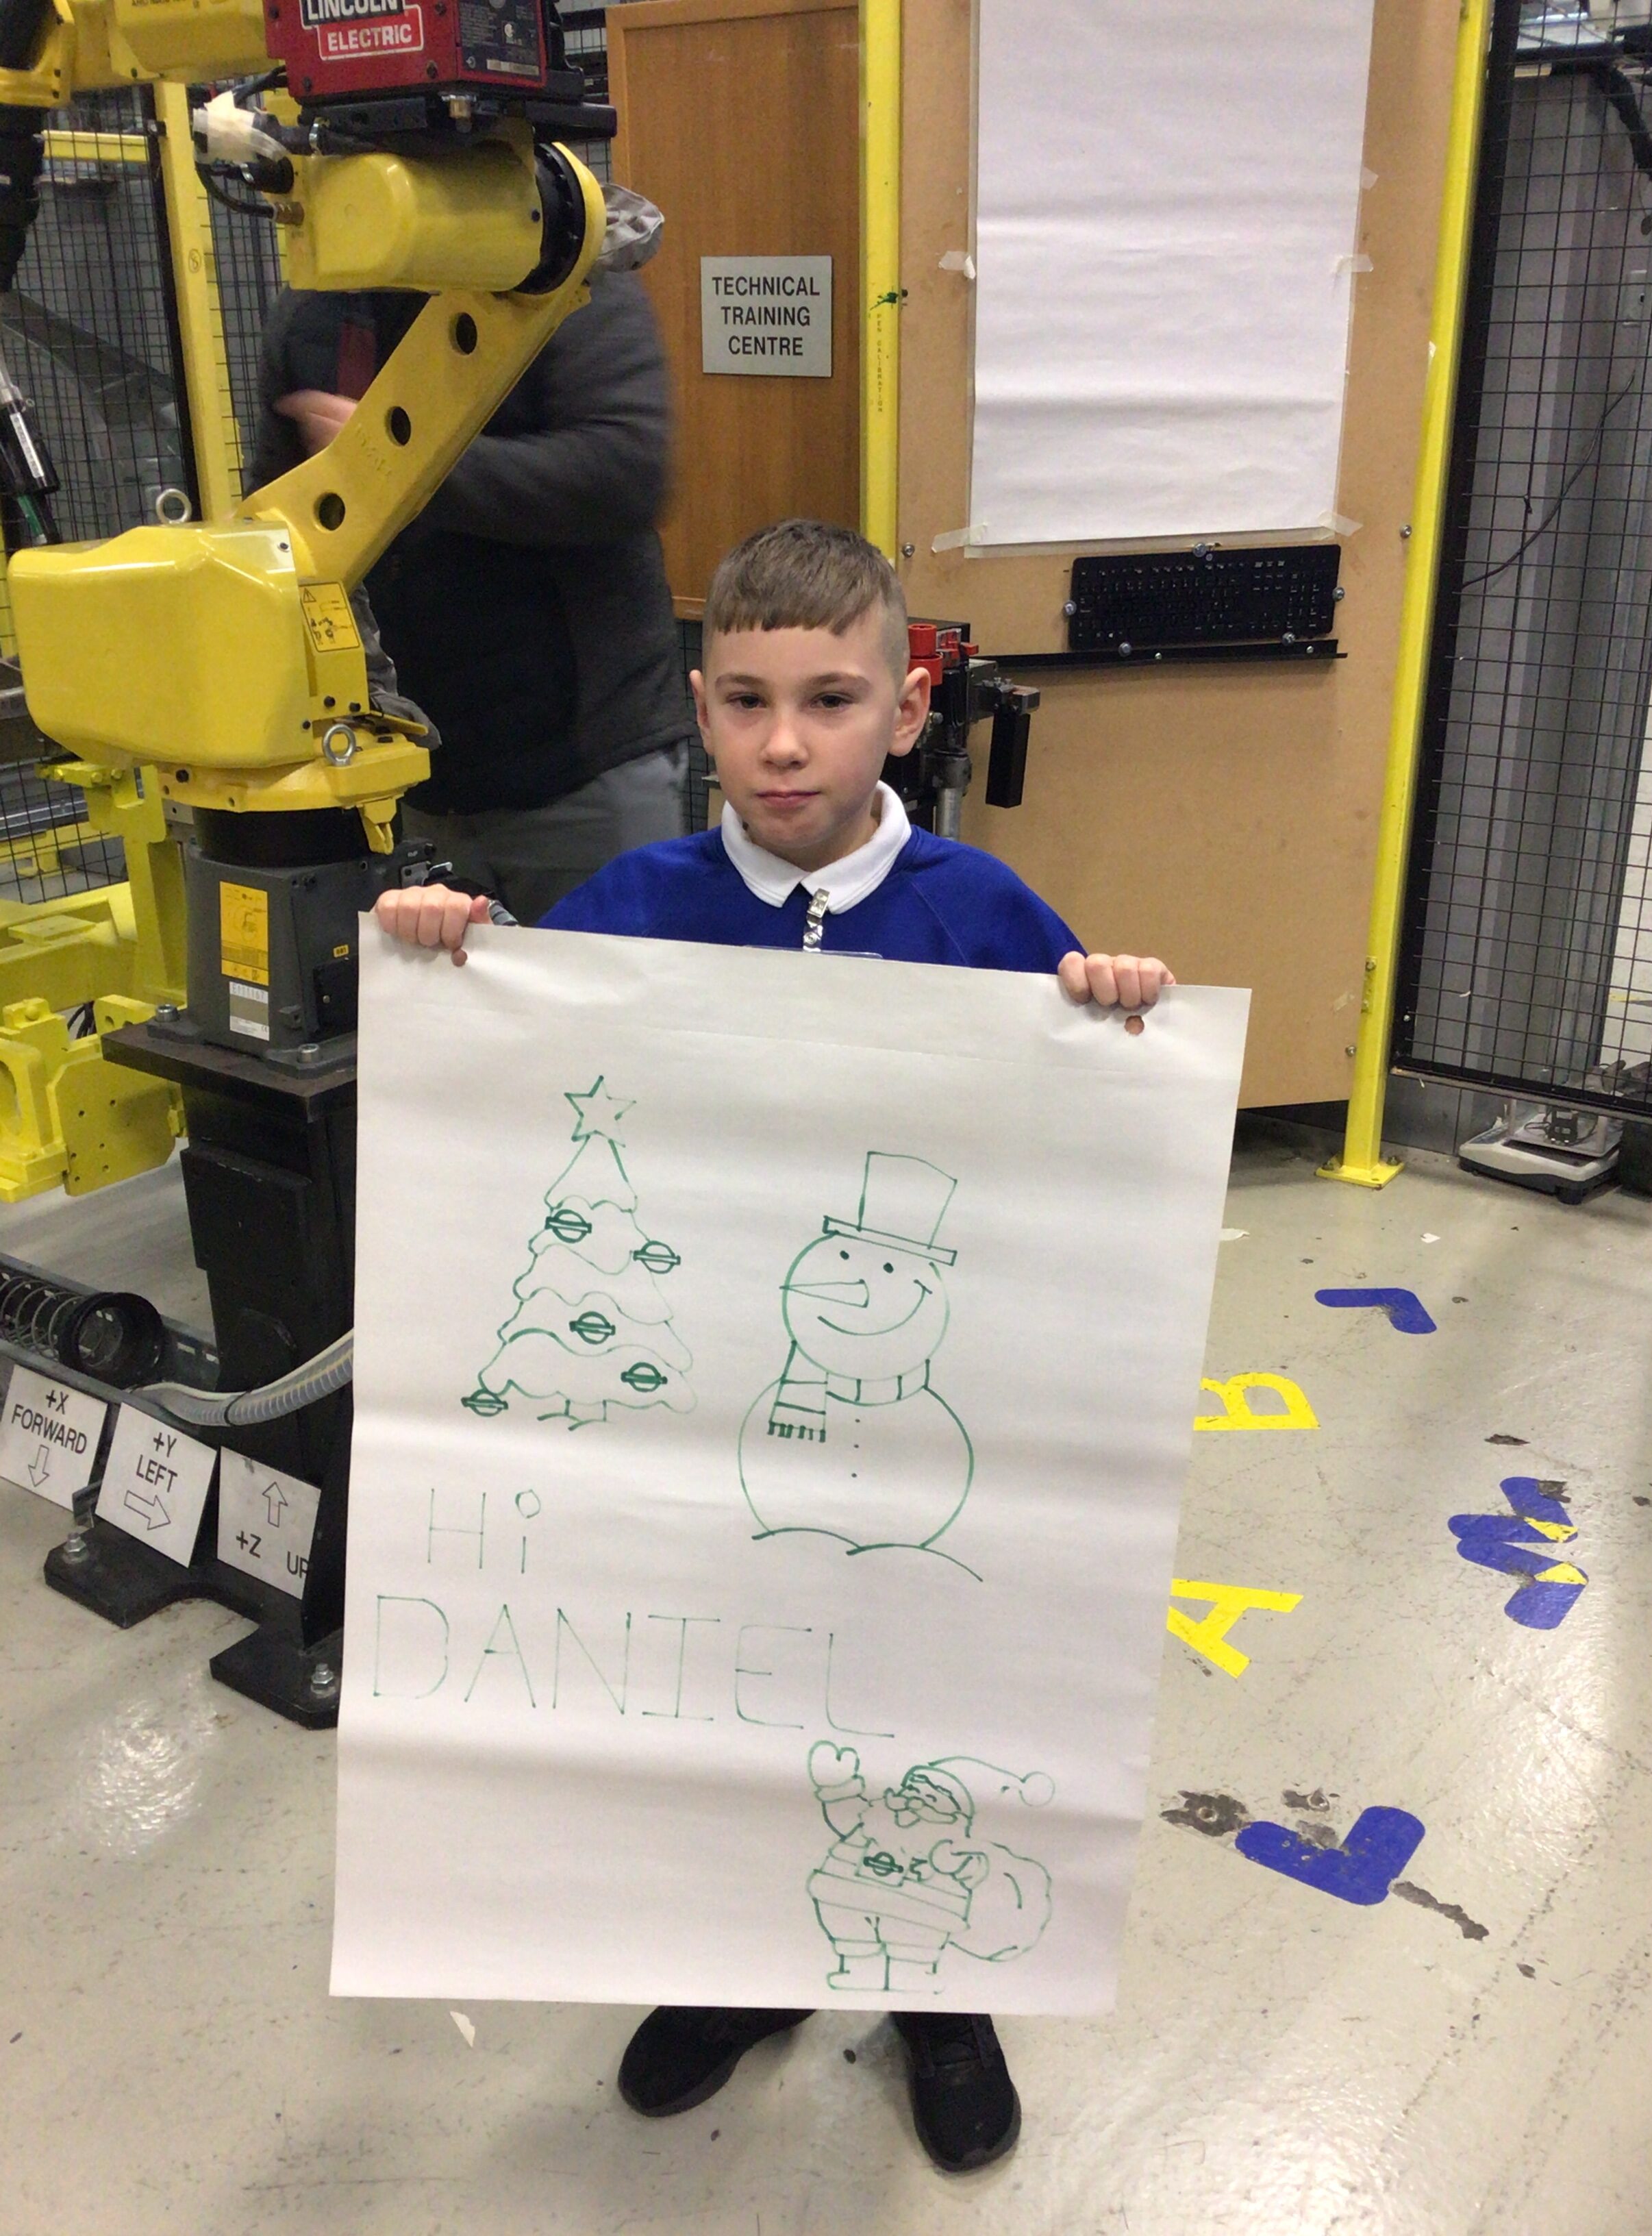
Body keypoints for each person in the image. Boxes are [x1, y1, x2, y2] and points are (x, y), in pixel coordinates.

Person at [375, 518, 1174, 2174]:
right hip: (704, 1437)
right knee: (725, 1715)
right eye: (746, 702)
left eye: (830, 699)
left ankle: (936, 1992)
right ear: (698, 710)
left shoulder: (983, 911)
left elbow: (1075, 1140)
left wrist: (1110, 1005)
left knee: (912, 1704)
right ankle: (738, 1960)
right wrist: (453, 950)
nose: (785, 743)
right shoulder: (632, 902)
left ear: (906, 709)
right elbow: (525, 1082)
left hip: (917, 1442)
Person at [248, 270, 696, 923]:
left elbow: (626, 469)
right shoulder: (317, 308)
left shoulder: (561, 268)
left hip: (585, 765)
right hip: (418, 777)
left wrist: (397, 461)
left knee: (611, 984)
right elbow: (279, 521)